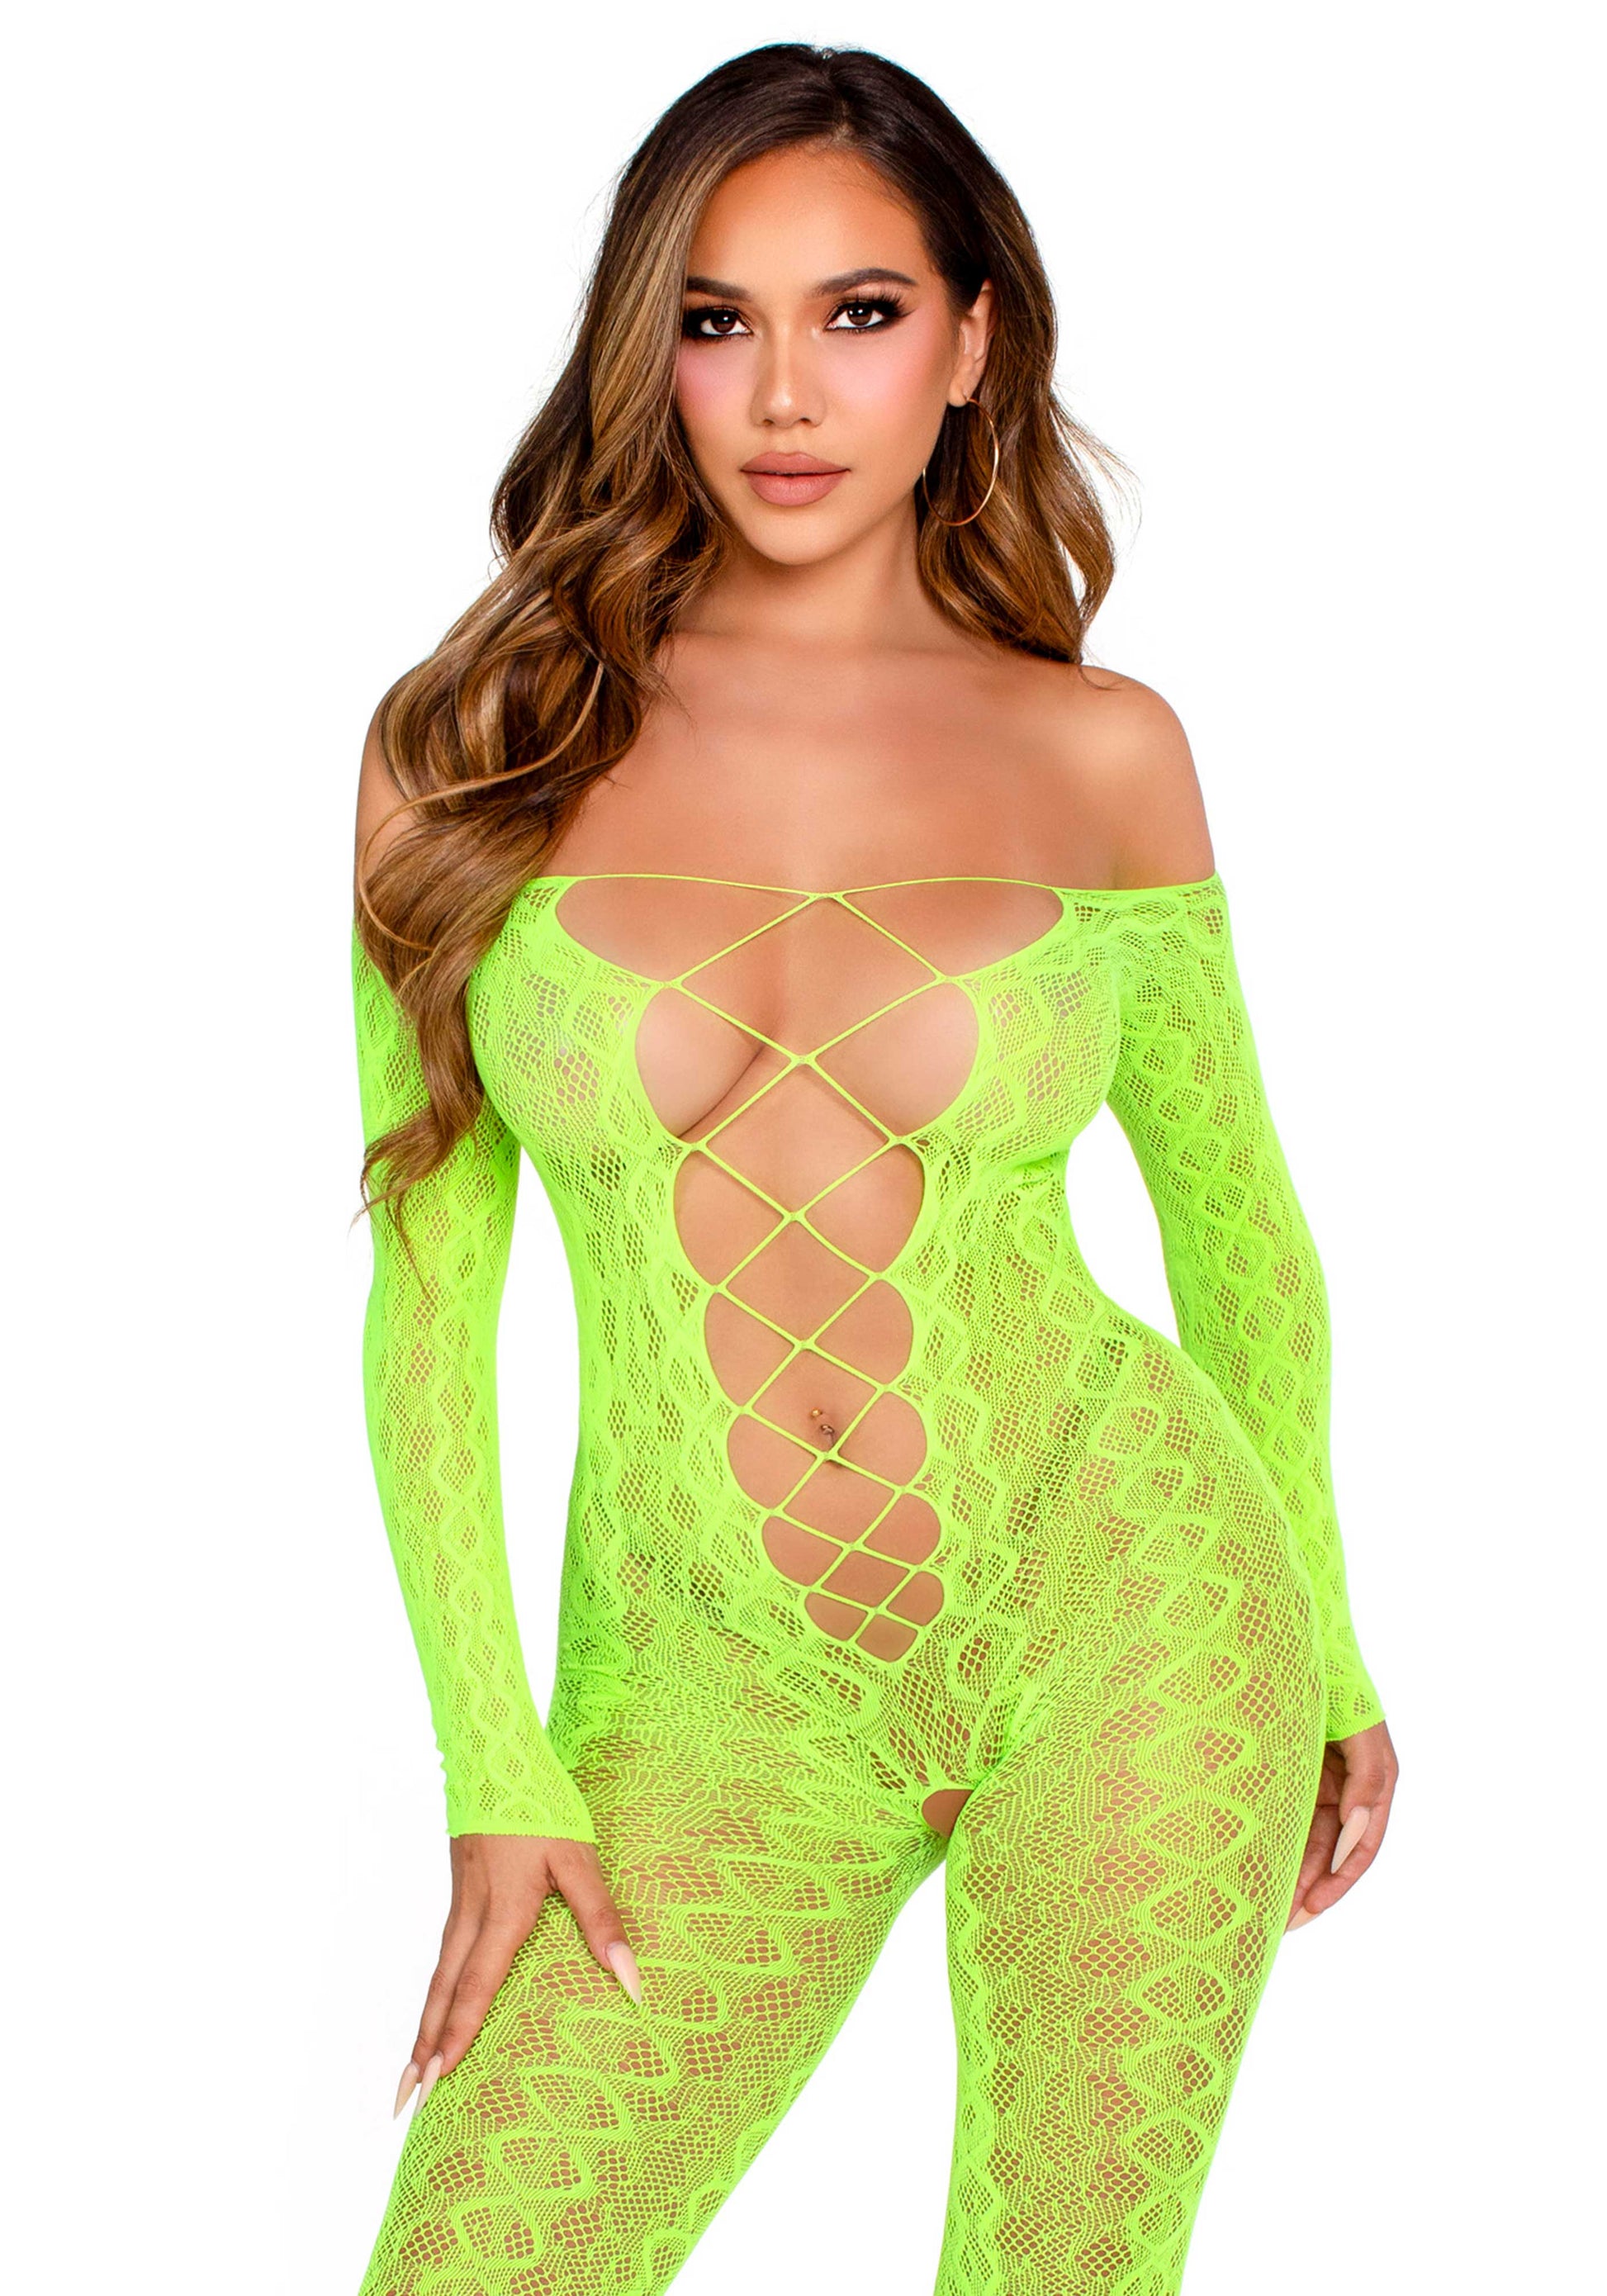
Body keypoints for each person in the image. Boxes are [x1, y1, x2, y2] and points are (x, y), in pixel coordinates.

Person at [348, 40, 1399, 2295]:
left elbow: (1241, 1232)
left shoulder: (1099, 755)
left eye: (859, 311)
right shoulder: (475, 753)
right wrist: (494, 1762)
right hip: (705, 1686)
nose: (785, 394)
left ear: (971, 343)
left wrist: (1320, 1638)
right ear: (647, 353)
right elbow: (426, 1295)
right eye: (716, 320)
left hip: (1132, 1608)